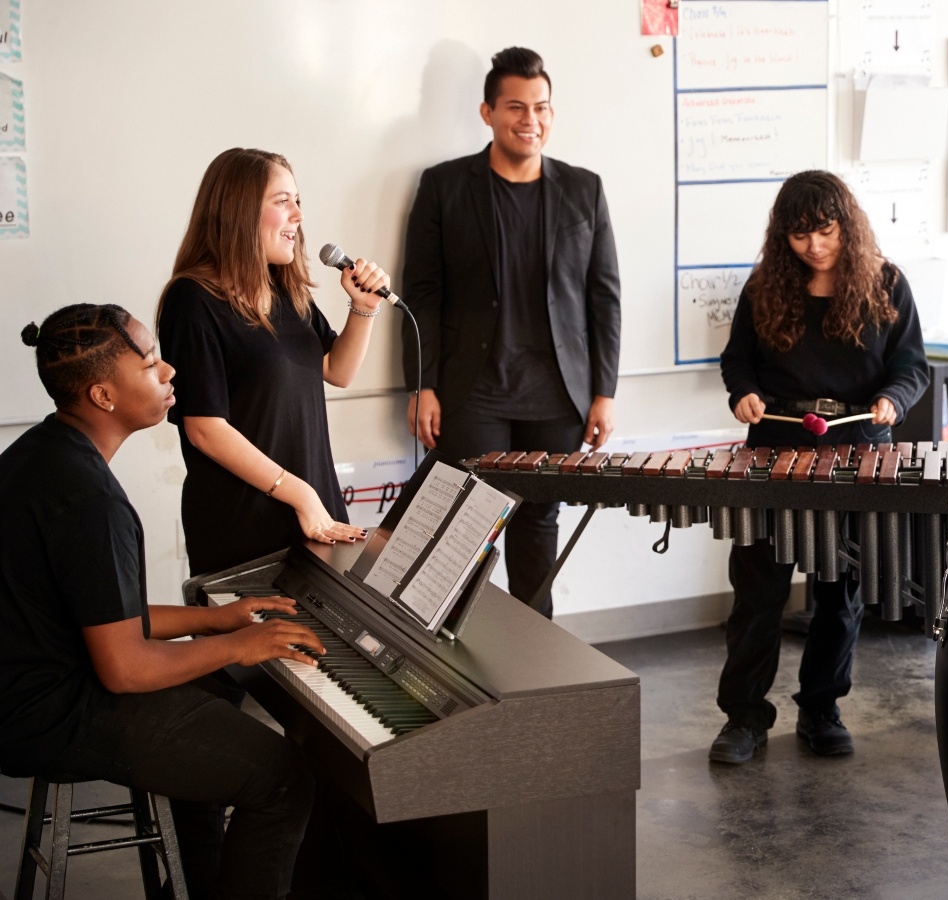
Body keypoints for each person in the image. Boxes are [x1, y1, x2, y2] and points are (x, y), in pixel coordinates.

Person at [1, 304, 325, 900]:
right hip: (50, 715)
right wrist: (241, 644)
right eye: (150, 362)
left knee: (211, 710)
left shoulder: (43, 453)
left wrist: (215, 617)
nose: (169, 370)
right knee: (284, 777)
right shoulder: (90, 500)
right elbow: (125, 666)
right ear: (103, 394)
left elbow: (103, 616)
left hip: (32, 687)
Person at [710, 170, 929, 765]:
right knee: (758, 592)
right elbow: (738, 362)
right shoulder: (765, 288)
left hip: (858, 448)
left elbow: (913, 368)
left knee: (840, 593)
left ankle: (821, 708)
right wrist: (744, 395)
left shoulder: (886, 285)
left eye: (825, 232)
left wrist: (894, 401)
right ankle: (745, 718)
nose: (813, 246)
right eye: (799, 235)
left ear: (847, 226)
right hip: (775, 447)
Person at [401, 46, 623, 618]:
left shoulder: (584, 189)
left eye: (542, 107)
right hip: (473, 391)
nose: (532, 121)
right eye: (517, 108)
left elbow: (604, 296)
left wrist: (604, 391)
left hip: (557, 395)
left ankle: (534, 663)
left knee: (539, 524)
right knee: (463, 524)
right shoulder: (445, 187)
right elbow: (421, 293)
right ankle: (447, 650)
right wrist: (421, 384)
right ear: (488, 113)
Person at [157, 147, 391, 576]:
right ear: (238, 211)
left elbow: (336, 370)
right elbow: (204, 428)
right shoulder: (192, 299)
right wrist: (299, 494)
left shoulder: (286, 291)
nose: (298, 216)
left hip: (315, 511)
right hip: (246, 524)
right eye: (283, 202)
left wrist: (365, 308)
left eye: (298, 201)